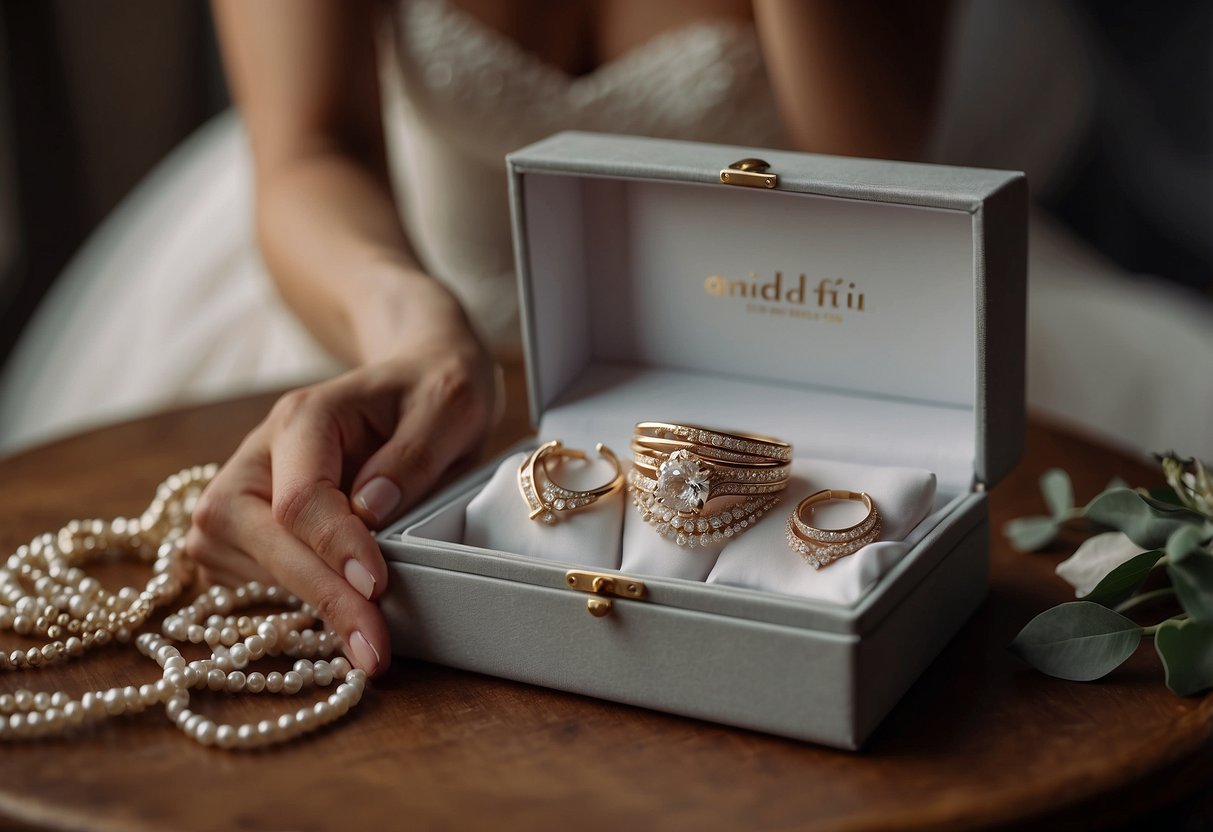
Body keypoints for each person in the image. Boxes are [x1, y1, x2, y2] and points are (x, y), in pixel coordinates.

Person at [188, 0, 949, 675]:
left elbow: (877, 186)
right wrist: (415, 327)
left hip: (795, 347)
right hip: (409, 313)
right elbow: (310, 149)